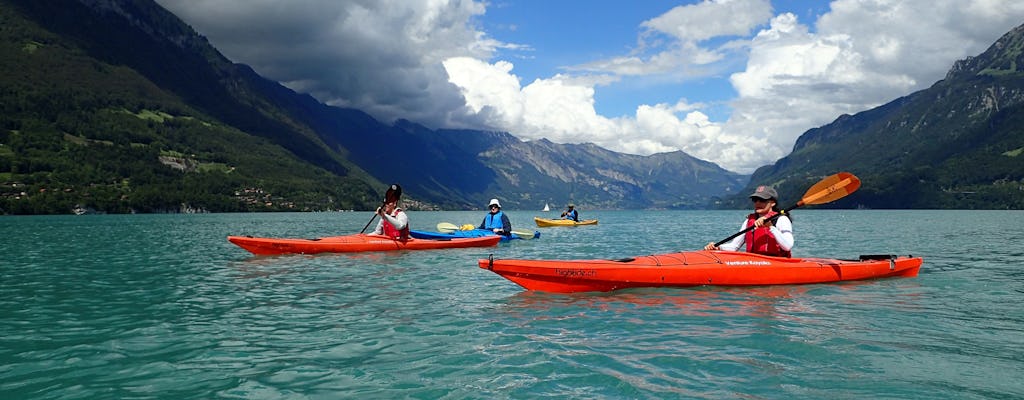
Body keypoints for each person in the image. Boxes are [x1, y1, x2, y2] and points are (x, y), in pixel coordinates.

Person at [704, 185, 793, 257]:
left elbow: (787, 246)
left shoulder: (782, 219)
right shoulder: (749, 221)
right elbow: (734, 246)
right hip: (754, 263)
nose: (757, 203)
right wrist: (718, 247)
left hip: (777, 263)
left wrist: (771, 227)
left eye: (762, 200)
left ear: (772, 203)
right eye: (755, 200)